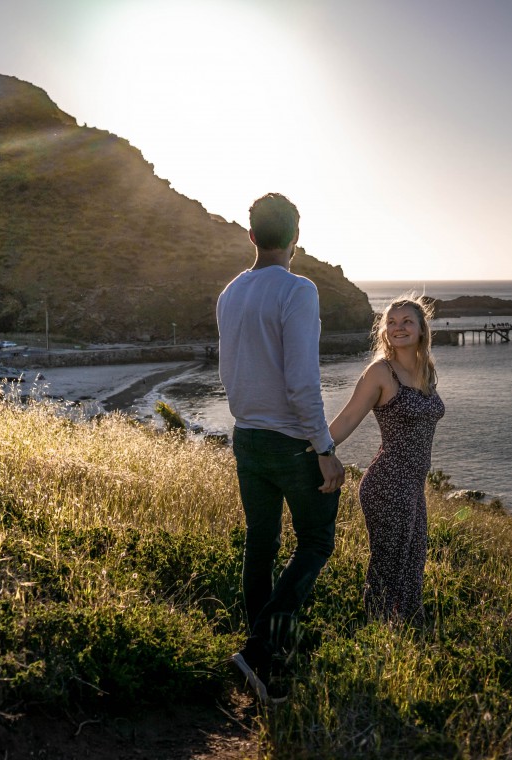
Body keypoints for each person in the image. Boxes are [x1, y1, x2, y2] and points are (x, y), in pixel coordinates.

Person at [217, 192, 345, 702]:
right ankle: (260, 653)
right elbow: (302, 382)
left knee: (262, 544)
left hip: (246, 438)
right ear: (296, 237)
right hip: (292, 442)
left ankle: (262, 654)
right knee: (315, 542)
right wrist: (325, 446)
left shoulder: (231, 292)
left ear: (251, 235)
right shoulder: (299, 290)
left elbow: (231, 370)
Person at [329, 297, 444, 622]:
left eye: (407, 321)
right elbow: (348, 418)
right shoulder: (381, 372)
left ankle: (407, 632)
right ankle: (377, 635)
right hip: (387, 484)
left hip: (412, 487)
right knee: (388, 565)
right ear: (383, 331)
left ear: (422, 328)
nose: (398, 327)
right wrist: (318, 450)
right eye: (391, 322)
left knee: (413, 562)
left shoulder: (426, 371)